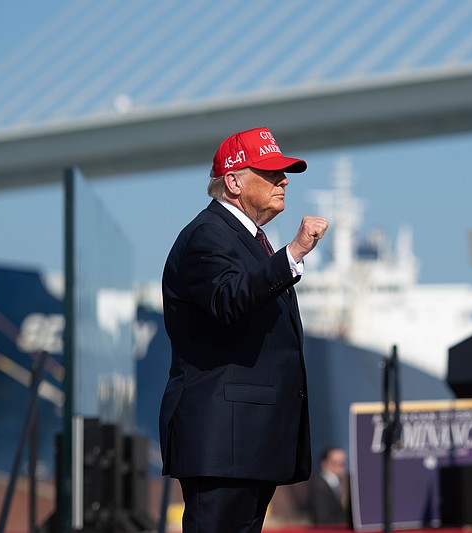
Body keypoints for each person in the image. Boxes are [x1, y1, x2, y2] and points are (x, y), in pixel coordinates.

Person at [158, 126, 328, 533]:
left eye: (283, 173)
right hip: (223, 439)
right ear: (233, 181)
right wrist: (294, 253)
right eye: (270, 173)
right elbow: (227, 299)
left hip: (246, 439)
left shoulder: (247, 239)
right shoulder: (207, 234)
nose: (283, 181)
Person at [308, 447, 350, 525]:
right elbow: (323, 518)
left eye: (343, 463)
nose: (341, 468)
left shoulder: (338, 484)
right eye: (337, 463)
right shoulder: (320, 486)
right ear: (325, 463)